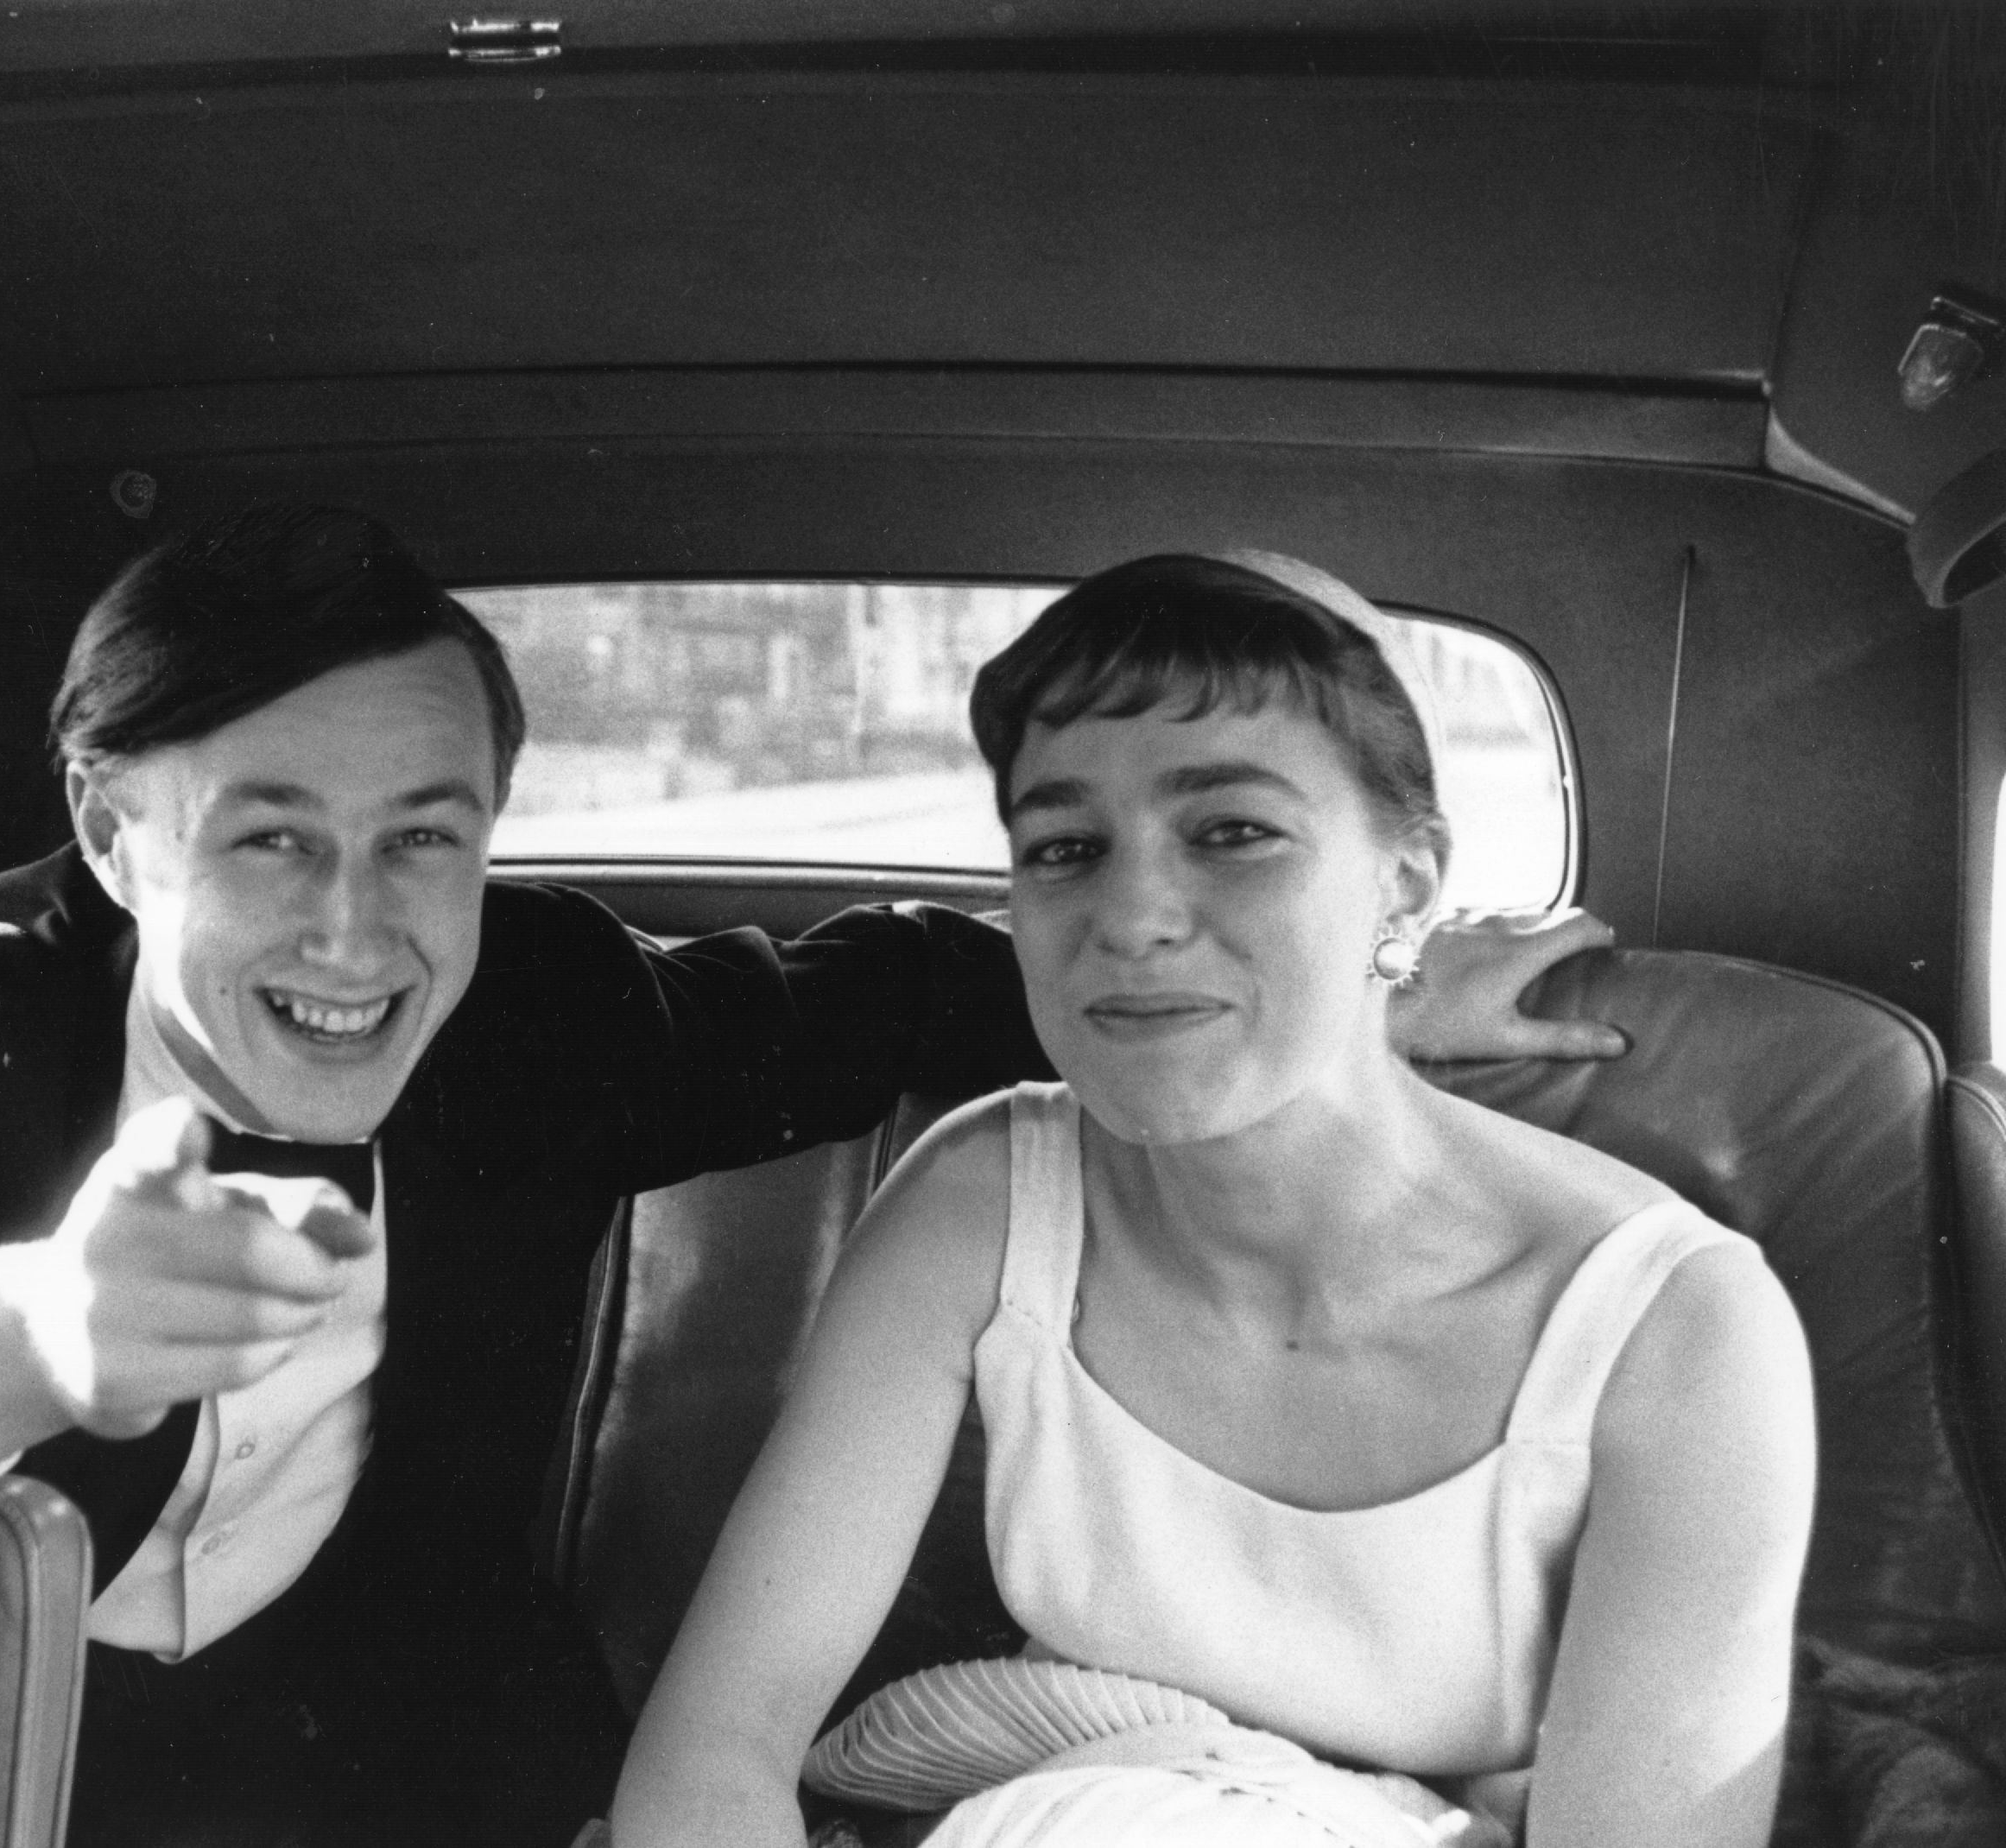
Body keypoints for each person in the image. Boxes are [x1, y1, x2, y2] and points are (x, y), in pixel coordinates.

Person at [0, 510, 1624, 1845]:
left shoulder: (536, 1002)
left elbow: (907, 990)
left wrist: (1348, 1007)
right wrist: (16, 1331)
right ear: (109, 824)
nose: (362, 933)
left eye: (427, 838)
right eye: (271, 839)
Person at [610, 554, 1817, 1848]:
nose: (1130, 918)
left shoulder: (1680, 1326)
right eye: (1065, 848)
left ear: (1406, 886)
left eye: (1233, 832)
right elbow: (718, 1750)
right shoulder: (979, 1201)